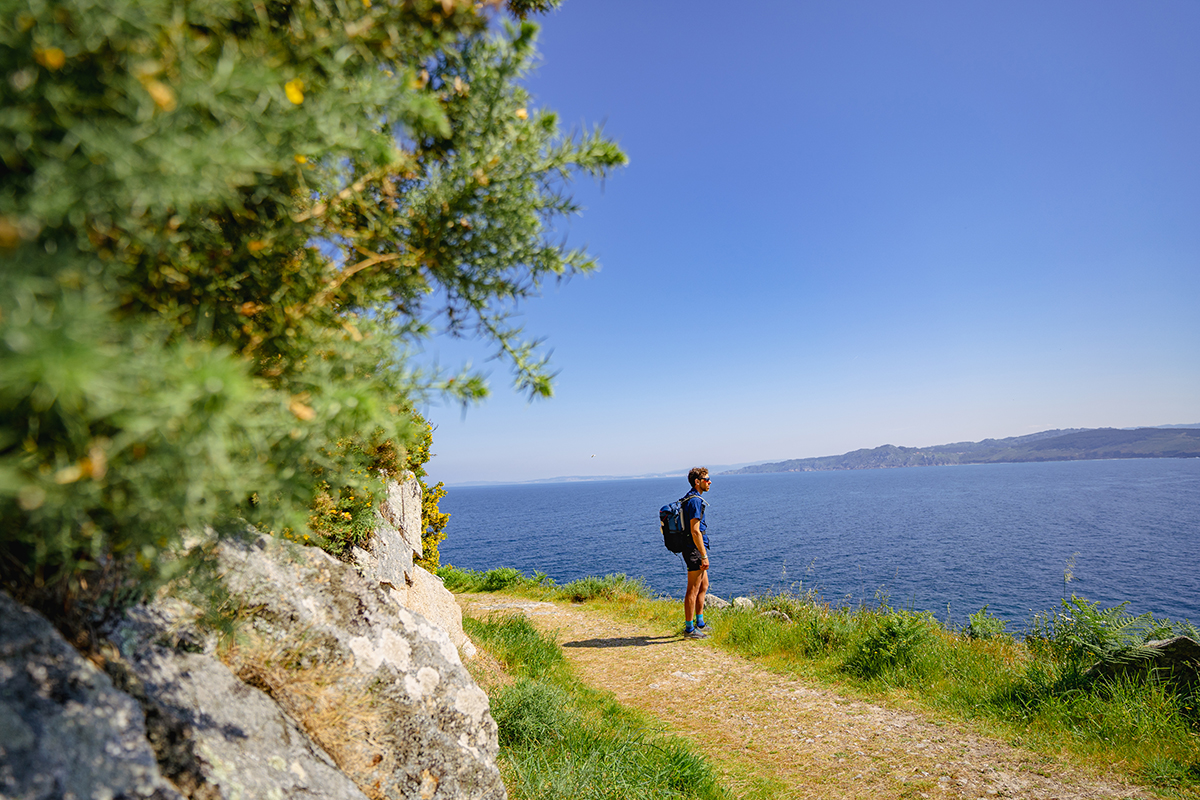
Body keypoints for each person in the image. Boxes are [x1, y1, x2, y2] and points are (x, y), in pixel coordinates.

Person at [681, 466, 712, 639]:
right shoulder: (694, 501)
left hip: (696, 548)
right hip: (694, 549)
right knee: (692, 589)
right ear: (697, 482)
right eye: (707, 479)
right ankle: (689, 629)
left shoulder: (693, 498)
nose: (710, 482)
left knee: (703, 585)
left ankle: (699, 623)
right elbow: (695, 531)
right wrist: (703, 554)